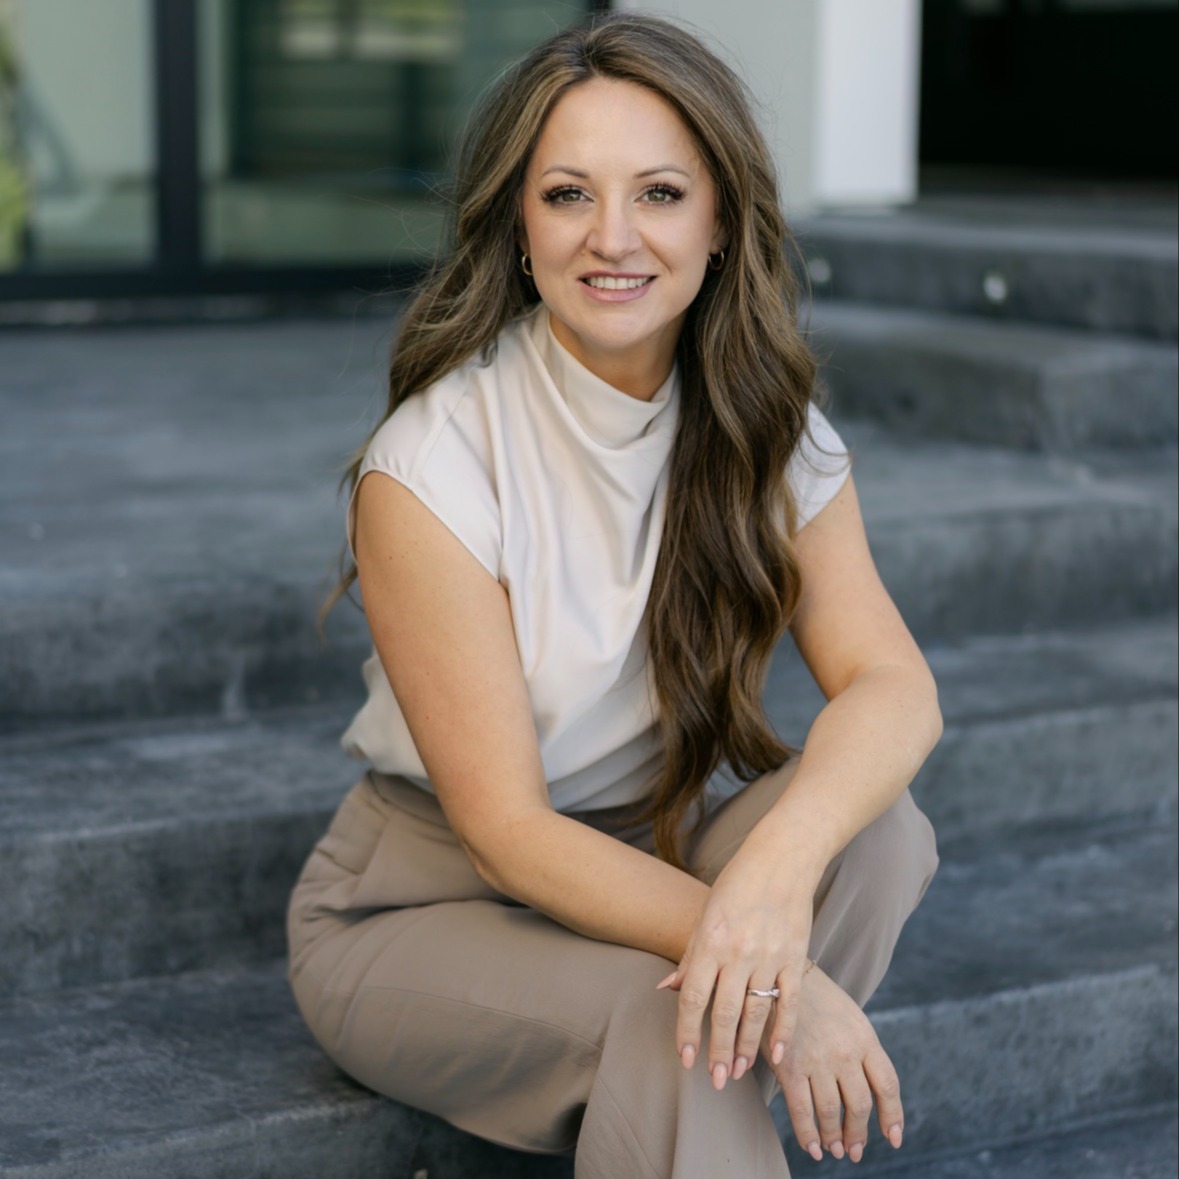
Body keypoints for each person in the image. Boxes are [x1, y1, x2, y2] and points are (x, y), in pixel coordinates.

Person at [287, 13, 941, 1178]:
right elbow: (508, 835)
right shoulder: (433, 462)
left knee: (878, 838)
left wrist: (777, 877)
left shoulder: (766, 427)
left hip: (658, 855)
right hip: (426, 905)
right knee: (676, 1019)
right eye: (568, 196)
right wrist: (789, 978)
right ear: (519, 226)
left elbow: (893, 686)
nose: (614, 237)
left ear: (720, 223)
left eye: (660, 194)